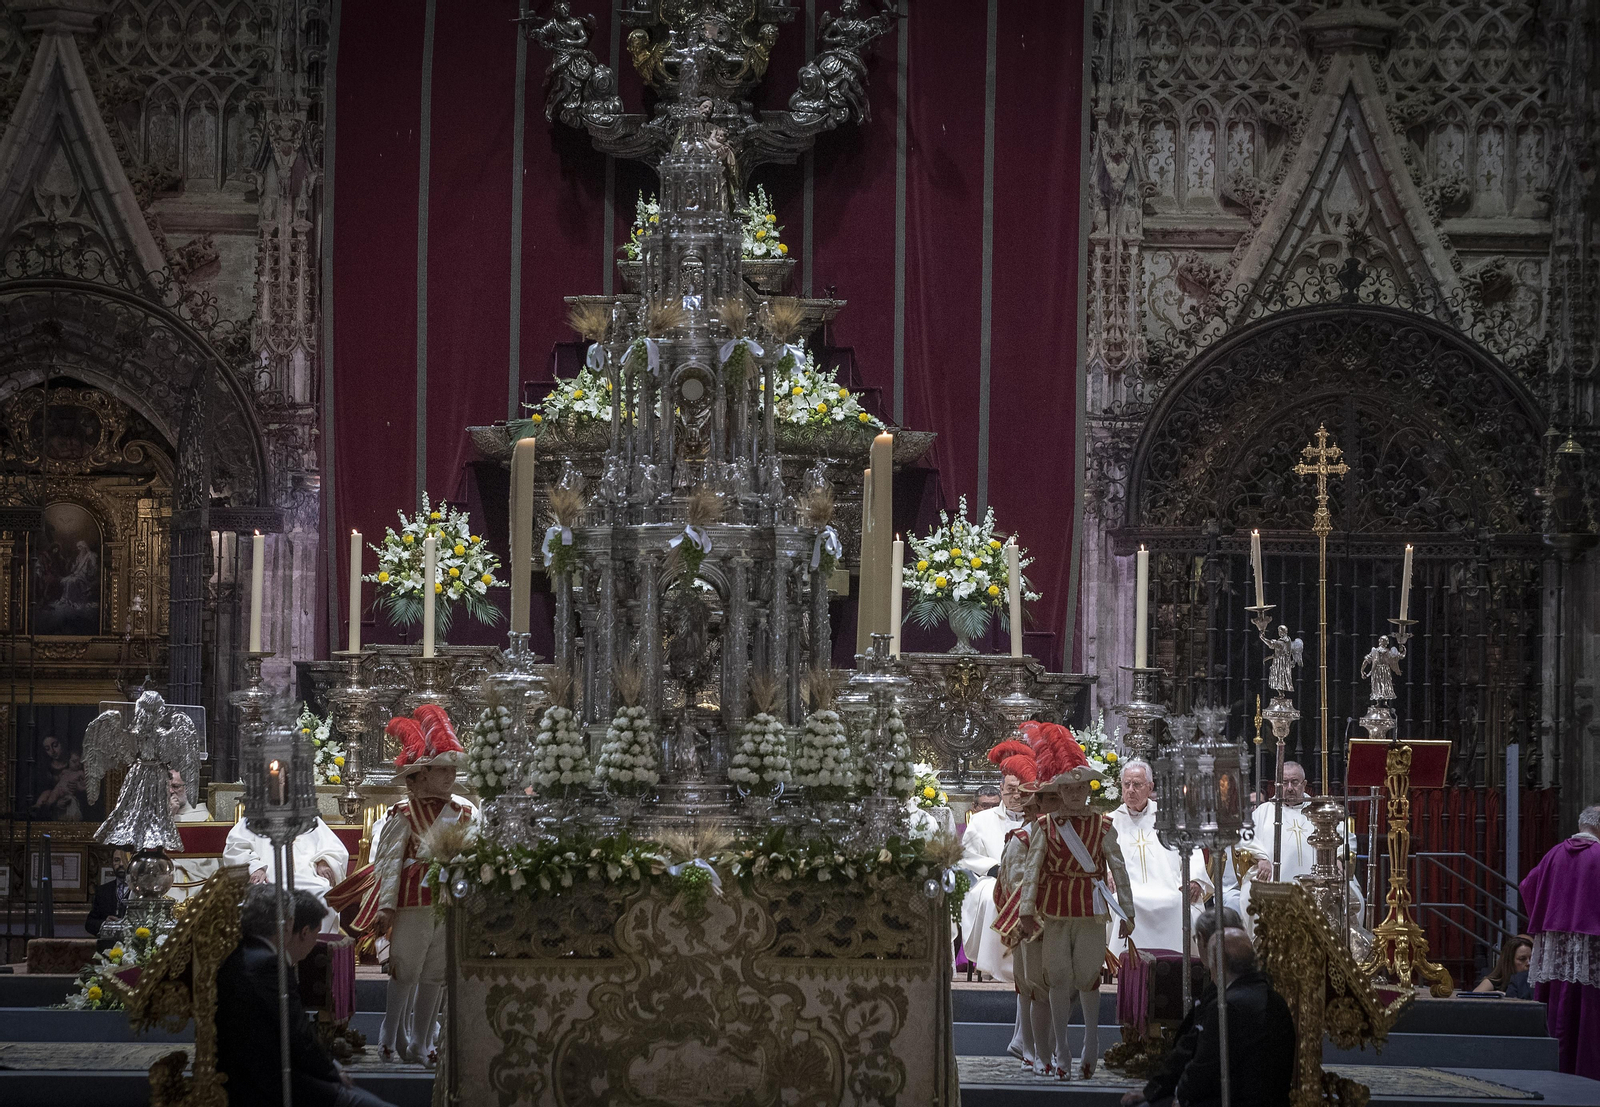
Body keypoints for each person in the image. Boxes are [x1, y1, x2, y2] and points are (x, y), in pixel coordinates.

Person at [328, 706, 475, 1065]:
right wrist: (386, 907)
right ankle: (390, 1036)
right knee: (406, 969)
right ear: (421, 774)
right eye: (442, 767)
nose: (450, 774)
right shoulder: (403, 814)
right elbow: (389, 863)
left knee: (436, 974)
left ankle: (421, 1044)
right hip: (412, 902)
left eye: (452, 768)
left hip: (448, 902)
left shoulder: (464, 812)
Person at [1009, 721, 1135, 1080]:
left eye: (1081, 787)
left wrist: (1127, 912)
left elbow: (1119, 871)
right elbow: (1032, 871)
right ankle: (1062, 1050)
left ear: (1088, 789)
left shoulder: (1104, 826)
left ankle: (1091, 1043)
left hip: (1092, 911)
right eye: (1069, 788)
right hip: (1055, 911)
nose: (1076, 794)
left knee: (1089, 977)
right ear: (1061, 791)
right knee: (1058, 978)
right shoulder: (1046, 826)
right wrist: (1027, 912)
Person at [216, 885, 396, 1107]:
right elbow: (297, 1034)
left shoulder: (241, 955)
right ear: (287, 923)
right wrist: (332, 1072)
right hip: (267, 1082)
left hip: (255, 1070)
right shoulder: (269, 964)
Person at [1120, 907, 1243, 1107]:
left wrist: (1180, 1095)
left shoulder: (1223, 1002)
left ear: (1205, 941)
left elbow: (1203, 1060)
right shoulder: (1224, 989)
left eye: (1196, 940)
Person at [1168, 928, 1296, 1107]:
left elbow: (1203, 1070)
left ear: (1219, 965)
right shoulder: (1276, 1000)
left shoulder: (1225, 1007)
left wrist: (1180, 1095)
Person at [1520, 804, 1600, 1079]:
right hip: (1591, 953)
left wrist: (1548, 919)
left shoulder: (1554, 854)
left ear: (1582, 825)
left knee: (1557, 1015)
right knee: (1589, 1020)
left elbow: (1528, 885)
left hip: (1555, 952)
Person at [1239, 761, 1363, 934]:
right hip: (1274, 878)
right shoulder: (1263, 811)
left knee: (1353, 898)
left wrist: (1338, 858)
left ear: (1304, 784)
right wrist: (1261, 858)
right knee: (1250, 898)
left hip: (1321, 880)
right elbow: (1244, 836)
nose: (1289, 787)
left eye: (1295, 782)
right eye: (1284, 782)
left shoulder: (1319, 810)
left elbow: (1345, 836)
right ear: (1276, 785)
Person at [1108, 759, 1209, 960]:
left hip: (1169, 888)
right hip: (1126, 890)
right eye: (1126, 784)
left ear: (1150, 787)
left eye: (1137, 784)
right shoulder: (1110, 821)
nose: (1130, 790)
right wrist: (1107, 872)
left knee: (1178, 903)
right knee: (1123, 903)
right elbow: (1099, 855)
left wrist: (1195, 879)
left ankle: (1178, 962)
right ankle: (1123, 964)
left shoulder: (1169, 819)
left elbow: (1192, 850)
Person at [959, 744, 1030, 981]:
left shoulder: (1039, 819)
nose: (1017, 796)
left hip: (1030, 880)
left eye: (1022, 790)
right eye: (1011, 790)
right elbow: (967, 855)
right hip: (990, 879)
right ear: (1001, 790)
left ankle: (1033, 964)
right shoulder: (981, 820)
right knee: (993, 895)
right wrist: (994, 867)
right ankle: (991, 965)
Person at [224, 809, 349, 933]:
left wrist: (324, 862)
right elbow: (236, 848)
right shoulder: (253, 818)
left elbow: (334, 848)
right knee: (261, 896)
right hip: (269, 878)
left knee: (325, 894)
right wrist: (255, 867)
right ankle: (271, 949)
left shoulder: (308, 818)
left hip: (309, 880)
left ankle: (317, 947)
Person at [85, 849, 130, 939]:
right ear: (111, 863)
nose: (121, 864)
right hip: (107, 946)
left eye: (125, 860)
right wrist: (105, 924)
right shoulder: (103, 891)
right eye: (117, 860)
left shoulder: (140, 890)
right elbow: (90, 923)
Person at [1473, 934, 1534, 998]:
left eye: (1532, 958)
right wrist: (1498, 995)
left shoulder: (1534, 981)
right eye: (1522, 959)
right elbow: (1474, 998)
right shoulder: (1495, 981)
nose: (1529, 963)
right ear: (1509, 961)